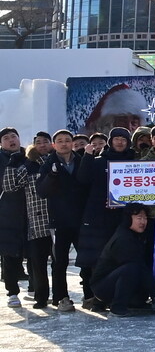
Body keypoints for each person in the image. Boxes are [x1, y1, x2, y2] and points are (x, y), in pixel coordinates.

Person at [76, 127, 134, 308]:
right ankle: (96, 297)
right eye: (116, 139)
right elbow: (83, 179)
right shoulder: (99, 161)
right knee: (97, 260)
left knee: (122, 258)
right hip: (99, 218)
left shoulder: (134, 161)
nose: (120, 142)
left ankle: (122, 296)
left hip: (124, 218)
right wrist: (87, 157)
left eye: (123, 139)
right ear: (111, 141)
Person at [35, 129, 89, 311]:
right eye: (60, 141)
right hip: (59, 221)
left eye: (67, 140)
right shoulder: (48, 164)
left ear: (72, 142)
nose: (64, 143)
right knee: (60, 261)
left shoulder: (81, 161)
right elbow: (41, 191)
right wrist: (52, 175)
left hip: (81, 219)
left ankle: (90, 295)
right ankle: (61, 297)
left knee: (87, 258)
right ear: (54, 144)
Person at [1, 127, 50, 309]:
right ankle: (12, 291)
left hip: (31, 212)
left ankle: (34, 287)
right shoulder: (2, 159)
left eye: (14, 136)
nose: (11, 140)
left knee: (33, 253)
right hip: (8, 213)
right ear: (1, 142)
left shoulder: (29, 157)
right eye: (6, 138)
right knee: (10, 253)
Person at [86, 203, 155, 316]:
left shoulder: (136, 234)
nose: (143, 222)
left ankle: (134, 302)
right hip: (103, 287)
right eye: (139, 218)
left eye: (145, 218)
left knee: (138, 291)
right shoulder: (123, 238)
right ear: (128, 219)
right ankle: (117, 308)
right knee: (131, 268)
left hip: (117, 281)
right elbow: (137, 266)